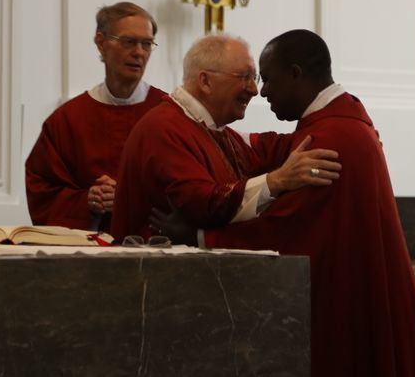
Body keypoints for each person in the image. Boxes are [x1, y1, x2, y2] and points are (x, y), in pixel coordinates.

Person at [155, 30, 415, 377]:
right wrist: (223, 138)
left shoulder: (334, 137)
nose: (262, 93)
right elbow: (279, 151)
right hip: (361, 306)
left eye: (267, 80)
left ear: (296, 74)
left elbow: (292, 227)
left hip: (349, 322)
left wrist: (199, 233)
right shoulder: (337, 122)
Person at [110, 33, 340, 242]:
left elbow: (273, 148)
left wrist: (338, 126)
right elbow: (200, 203)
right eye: (245, 77)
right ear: (205, 81)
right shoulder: (163, 128)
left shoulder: (214, 130)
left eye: (255, 78)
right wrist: (276, 181)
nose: (254, 89)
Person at [25, 3, 167, 232]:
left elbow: (189, 189)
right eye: (129, 41)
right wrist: (87, 201)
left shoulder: (168, 114)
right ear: (101, 43)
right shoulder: (68, 119)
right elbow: (42, 189)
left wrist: (128, 196)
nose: (139, 52)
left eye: (147, 44)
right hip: (88, 255)